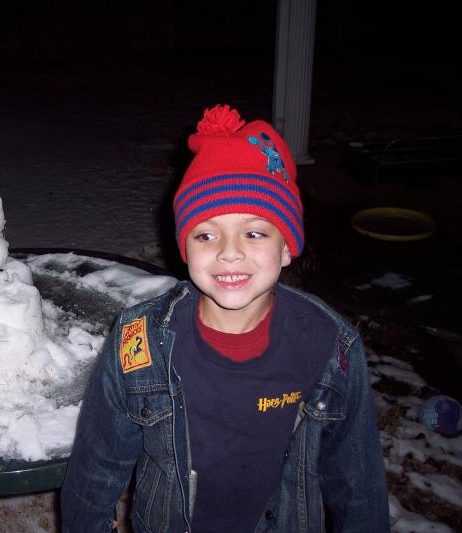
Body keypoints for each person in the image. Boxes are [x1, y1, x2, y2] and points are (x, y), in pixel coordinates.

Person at [60, 105, 390, 532]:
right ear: (185, 249)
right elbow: (96, 467)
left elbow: (358, 483)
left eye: (254, 232)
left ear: (286, 247)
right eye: (206, 234)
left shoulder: (330, 346)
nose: (229, 252)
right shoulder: (140, 342)